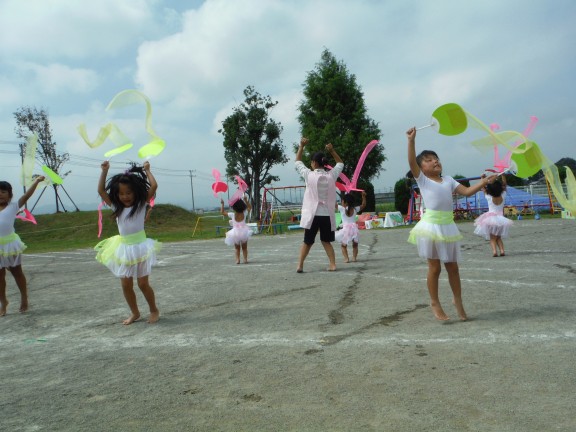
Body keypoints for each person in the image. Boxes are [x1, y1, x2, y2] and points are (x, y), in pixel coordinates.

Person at [406, 127, 495, 321]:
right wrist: (412, 141)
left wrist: (484, 182)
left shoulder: (448, 179)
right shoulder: (422, 180)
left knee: (453, 267)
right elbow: (412, 161)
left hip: (448, 226)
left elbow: (467, 192)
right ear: (421, 168)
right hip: (431, 227)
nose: (435, 161)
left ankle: (457, 300)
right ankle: (435, 302)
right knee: (435, 268)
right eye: (428, 160)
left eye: (435, 158)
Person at [96, 161, 160, 325]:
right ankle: (135, 312)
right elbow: (101, 191)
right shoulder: (116, 207)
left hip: (141, 248)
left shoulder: (140, 204)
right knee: (125, 284)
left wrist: (147, 171)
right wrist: (104, 171)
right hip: (124, 248)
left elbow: (153, 186)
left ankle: (153, 310)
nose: (125, 196)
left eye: (129, 192)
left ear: (135, 192)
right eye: (121, 193)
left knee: (143, 284)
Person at [295, 137, 344, 273]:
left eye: (311, 162)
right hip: (327, 215)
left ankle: (300, 265)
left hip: (312, 214)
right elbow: (340, 163)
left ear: (314, 163)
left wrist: (301, 147)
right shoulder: (331, 175)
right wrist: (332, 150)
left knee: (307, 241)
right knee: (326, 241)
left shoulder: (308, 175)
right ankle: (333, 264)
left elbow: (298, 162)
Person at [0, 176, 45, 316]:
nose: (0, 194)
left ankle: (24, 297)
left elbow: (27, 195)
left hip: (10, 245)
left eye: (3, 192)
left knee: (16, 272)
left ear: (9, 194)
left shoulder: (13, 206)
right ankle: (3, 302)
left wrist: (36, 182)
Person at [474, 175, 512, 257]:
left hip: (491, 219)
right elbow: (505, 185)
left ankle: (494, 251)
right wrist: (503, 176)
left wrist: (482, 178)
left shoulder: (489, 197)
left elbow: (483, 187)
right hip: (501, 219)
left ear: (490, 190)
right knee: (498, 237)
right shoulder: (503, 195)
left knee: (492, 238)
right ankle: (502, 251)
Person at [335, 191, 366, 263]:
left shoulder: (342, 209)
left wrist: (331, 193)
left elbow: (334, 204)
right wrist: (363, 196)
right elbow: (363, 205)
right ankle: (354, 258)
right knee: (355, 244)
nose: (341, 202)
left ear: (345, 202)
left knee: (343, 245)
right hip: (354, 229)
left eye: (342, 201)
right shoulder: (355, 209)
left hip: (346, 229)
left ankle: (346, 258)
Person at [220, 195, 252, 264]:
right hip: (244, 232)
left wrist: (222, 204)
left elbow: (222, 212)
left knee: (237, 248)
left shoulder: (232, 214)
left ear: (234, 207)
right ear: (242, 206)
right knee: (244, 247)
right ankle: (245, 259)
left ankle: (237, 260)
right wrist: (246, 200)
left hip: (235, 233)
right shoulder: (244, 213)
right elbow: (250, 207)